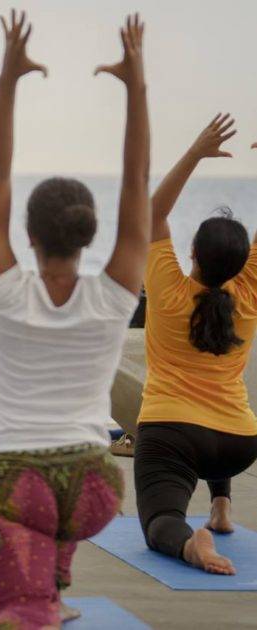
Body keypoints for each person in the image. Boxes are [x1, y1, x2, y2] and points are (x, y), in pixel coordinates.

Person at [0, 12, 149, 629]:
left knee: (15, 613)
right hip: (94, 488)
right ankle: (52, 590)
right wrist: (137, 85)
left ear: (30, 235)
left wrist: (8, 79)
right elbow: (138, 184)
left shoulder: (6, 292)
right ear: (90, 234)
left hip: (13, 476)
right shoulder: (116, 295)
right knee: (50, 530)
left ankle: (32, 607)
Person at [135, 113, 257, 576]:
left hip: (173, 434)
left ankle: (193, 546)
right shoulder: (248, 295)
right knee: (214, 406)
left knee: (161, 522)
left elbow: (152, 213)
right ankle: (221, 505)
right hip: (239, 442)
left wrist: (195, 152)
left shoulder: (168, 291)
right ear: (243, 263)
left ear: (191, 254)